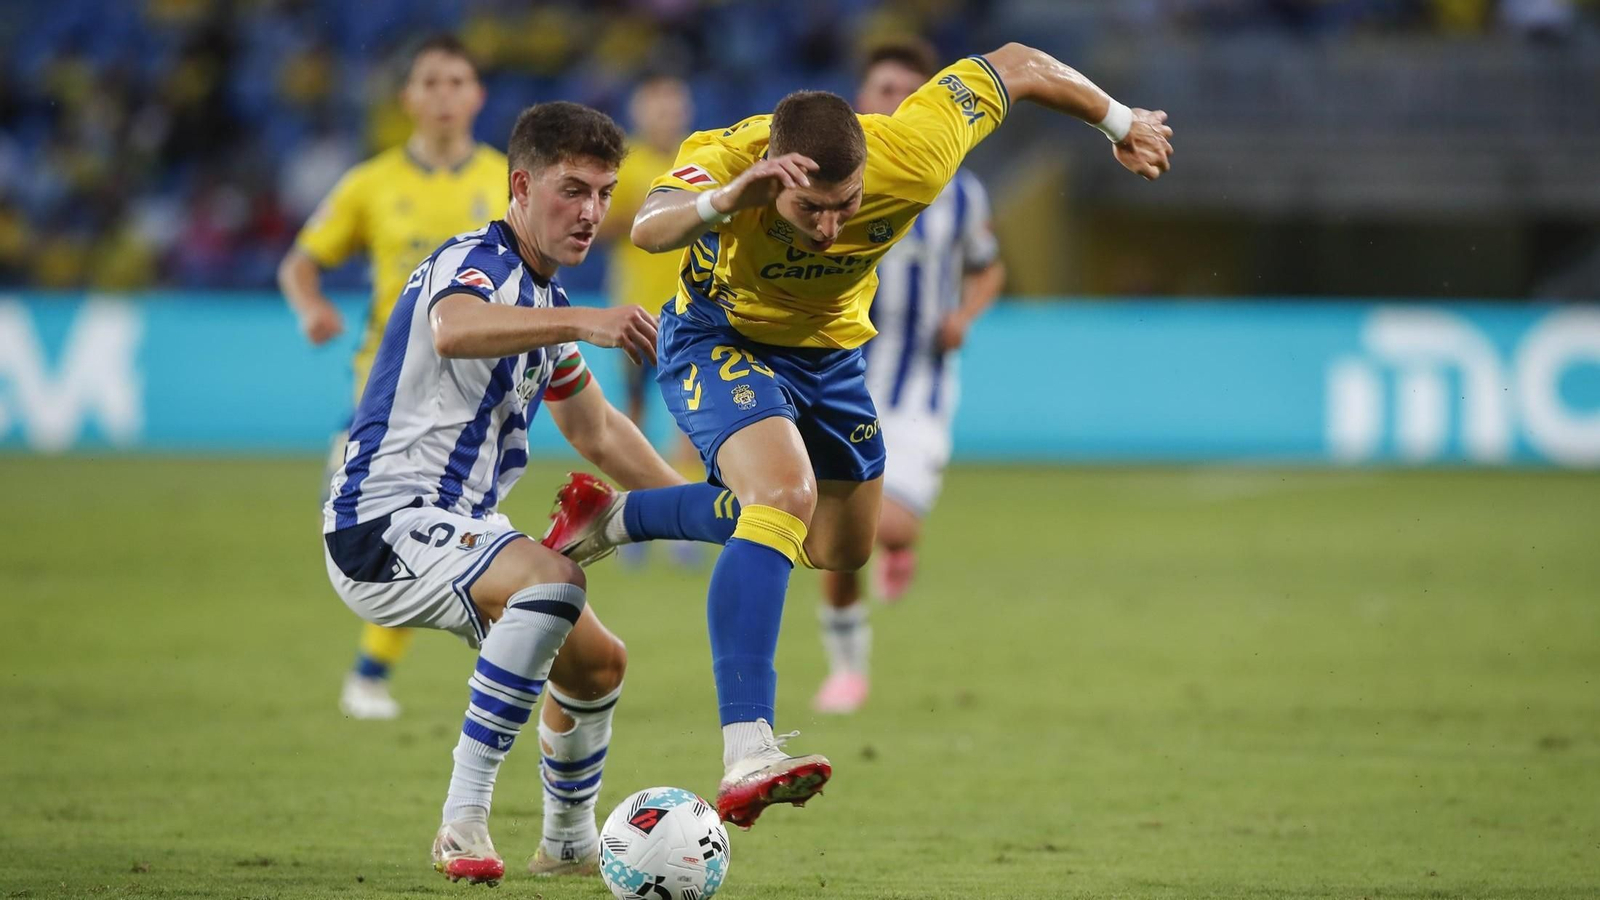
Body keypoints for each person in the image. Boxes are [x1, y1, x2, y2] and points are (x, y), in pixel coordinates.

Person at [545, 42, 1174, 829]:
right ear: (775, 170)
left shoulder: (914, 149)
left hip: (833, 356)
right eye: (811, 209)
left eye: (846, 204)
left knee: (839, 547)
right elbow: (648, 225)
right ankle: (748, 748)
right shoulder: (727, 159)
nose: (832, 225)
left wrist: (1118, 121)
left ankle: (613, 519)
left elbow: (1017, 64)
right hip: (718, 338)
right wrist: (727, 198)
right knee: (781, 494)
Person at [321, 100, 671, 884]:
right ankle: (462, 819)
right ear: (521, 185)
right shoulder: (477, 262)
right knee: (556, 581)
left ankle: (570, 844)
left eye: (605, 194)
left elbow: (599, 433)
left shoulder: (542, 303)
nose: (592, 214)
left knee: (597, 668)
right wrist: (586, 321)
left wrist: (721, 511)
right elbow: (453, 327)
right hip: (382, 520)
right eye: (573, 190)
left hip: (458, 526)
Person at [279, 35, 508, 721]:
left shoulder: (505, 180)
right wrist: (312, 305)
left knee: (429, 536)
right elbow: (299, 262)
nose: (443, 95)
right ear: (408, 98)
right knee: (398, 533)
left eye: (456, 81)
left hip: (476, 398)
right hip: (384, 393)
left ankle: (379, 672)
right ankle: (389, 671)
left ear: (477, 96)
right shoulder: (370, 184)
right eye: (430, 83)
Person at [811, 38, 1008, 715]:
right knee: (834, 538)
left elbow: (989, 266)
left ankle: (900, 546)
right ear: (862, 101)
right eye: (883, 89)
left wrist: (965, 315)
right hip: (838, 381)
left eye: (907, 92)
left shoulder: (960, 192)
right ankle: (847, 668)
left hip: (917, 388)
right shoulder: (828, 184)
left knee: (884, 527)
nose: (894, 102)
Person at [599, 74, 705, 564]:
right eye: (657, 109)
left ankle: (684, 526)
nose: (667, 117)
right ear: (640, 115)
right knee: (636, 417)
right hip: (638, 312)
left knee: (692, 419)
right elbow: (599, 224)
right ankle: (634, 520)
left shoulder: (699, 162)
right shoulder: (628, 168)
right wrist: (645, 216)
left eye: (673, 107)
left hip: (691, 312)